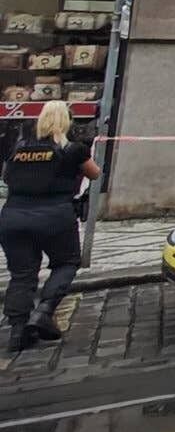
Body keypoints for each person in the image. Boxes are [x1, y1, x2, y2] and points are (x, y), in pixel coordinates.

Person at [1, 100, 101, 352]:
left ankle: (17, 331)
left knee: (22, 275)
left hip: (13, 217)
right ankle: (44, 311)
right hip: (54, 215)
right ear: (68, 121)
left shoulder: (18, 149)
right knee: (67, 262)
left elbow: (6, 176)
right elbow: (95, 174)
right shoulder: (73, 150)